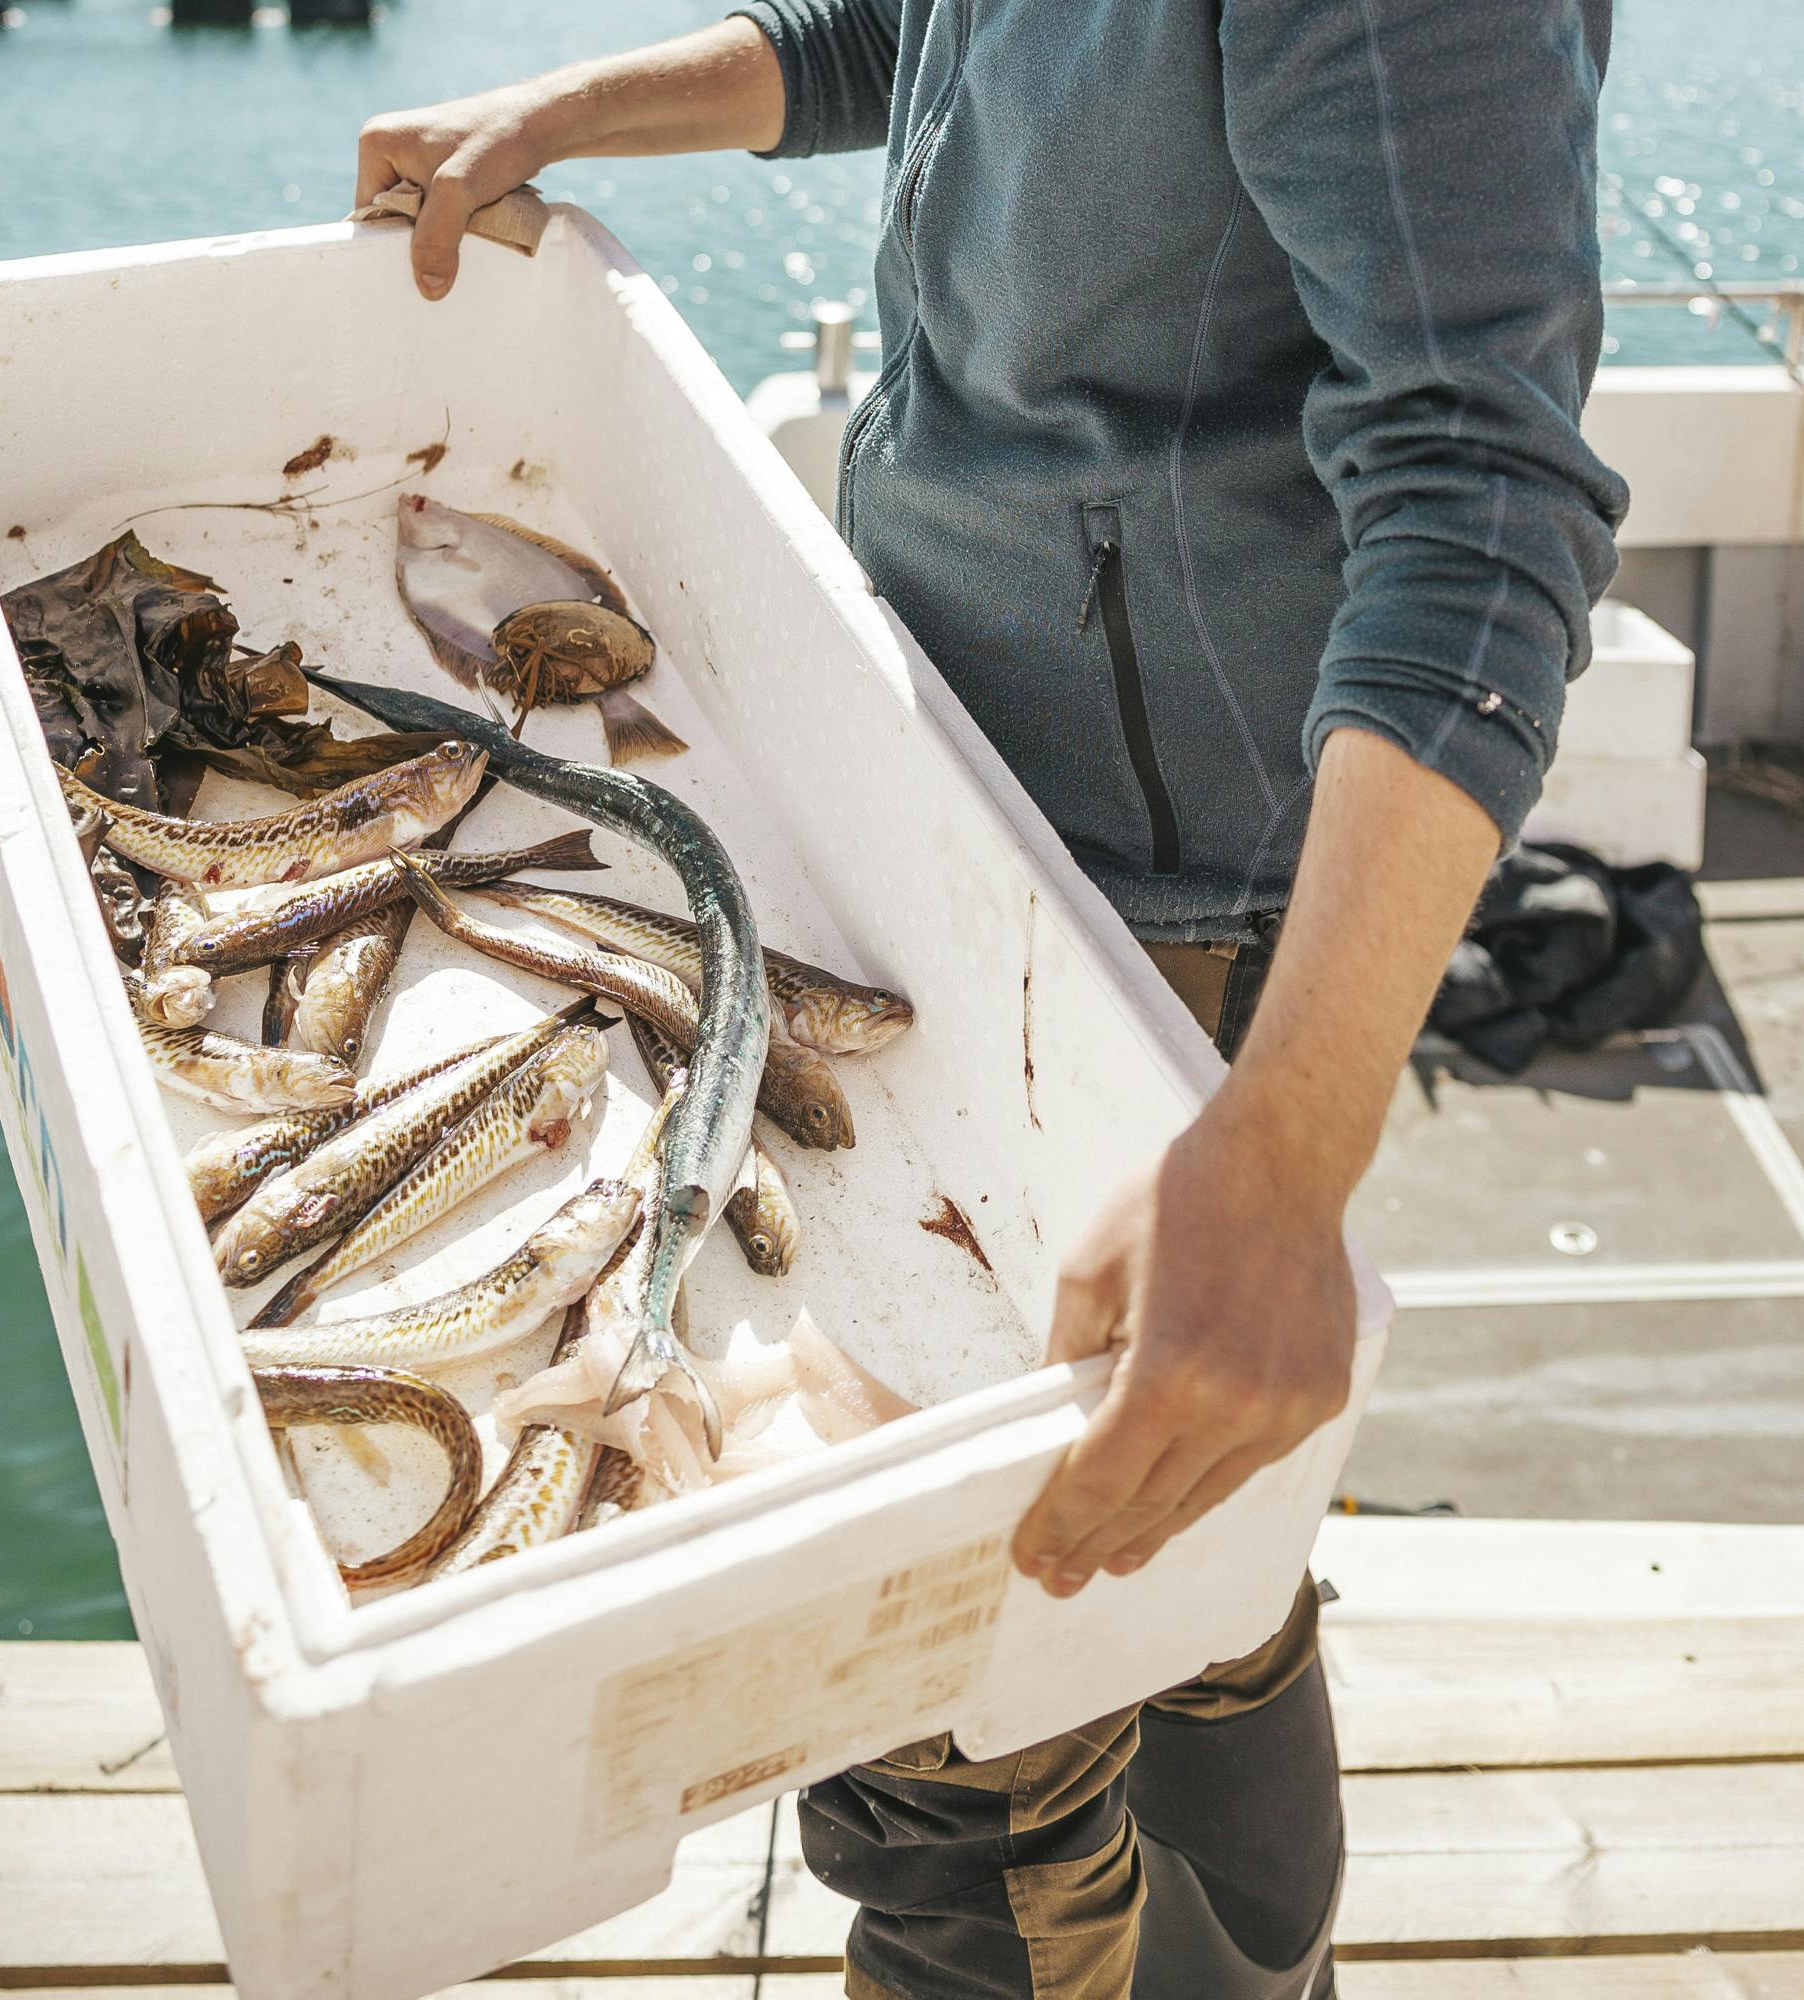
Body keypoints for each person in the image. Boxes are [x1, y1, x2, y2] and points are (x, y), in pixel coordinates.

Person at [357, 6, 1623, 1994]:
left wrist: (1279, 1143)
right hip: (940, 782)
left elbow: (1482, 503)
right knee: (1193, 1561)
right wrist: (583, 102)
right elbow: (909, 36)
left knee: (952, 1698)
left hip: (1155, 902)